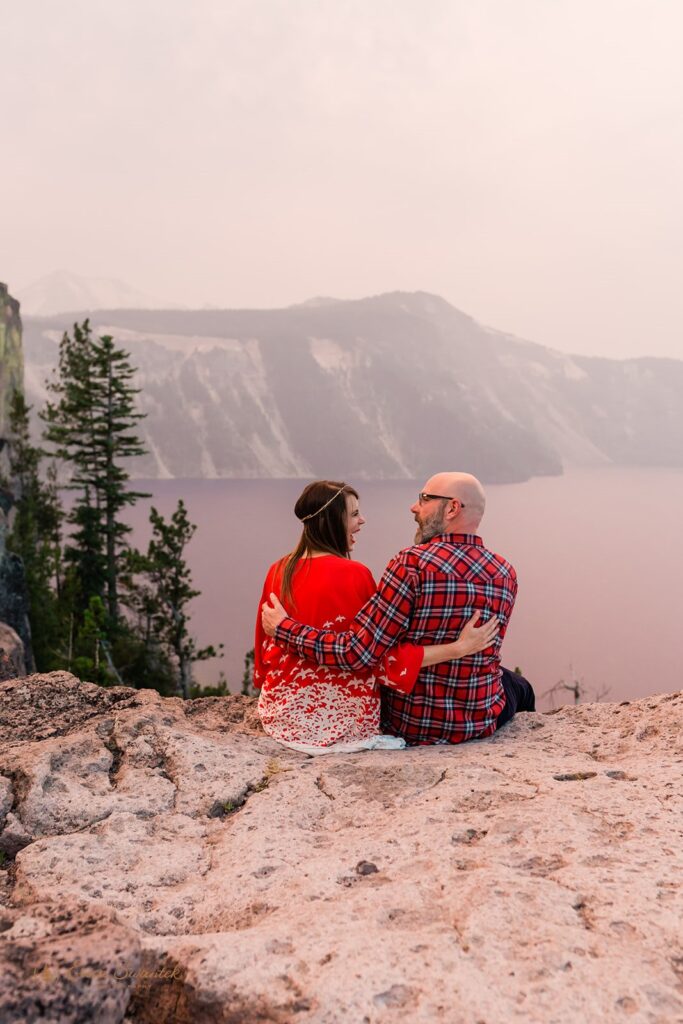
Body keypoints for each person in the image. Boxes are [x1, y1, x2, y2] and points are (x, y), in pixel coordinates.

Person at [262, 472, 535, 746]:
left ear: (452, 508)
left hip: (410, 724)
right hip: (478, 720)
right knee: (519, 686)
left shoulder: (410, 565)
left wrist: (284, 629)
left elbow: (360, 653)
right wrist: (459, 649)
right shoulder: (505, 573)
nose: (414, 507)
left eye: (424, 499)